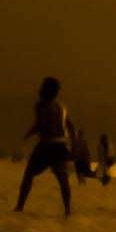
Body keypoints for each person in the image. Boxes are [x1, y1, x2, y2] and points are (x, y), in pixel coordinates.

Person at [15, 75, 76, 216]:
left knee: (28, 175)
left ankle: (19, 206)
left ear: (46, 90)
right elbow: (72, 128)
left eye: (42, 86)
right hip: (61, 146)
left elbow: (41, 124)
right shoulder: (62, 107)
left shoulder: (41, 105)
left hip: (46, 145)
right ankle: (67, 210)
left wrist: (28, 134)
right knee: (63, 179)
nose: (39, 89)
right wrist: (72, 147)